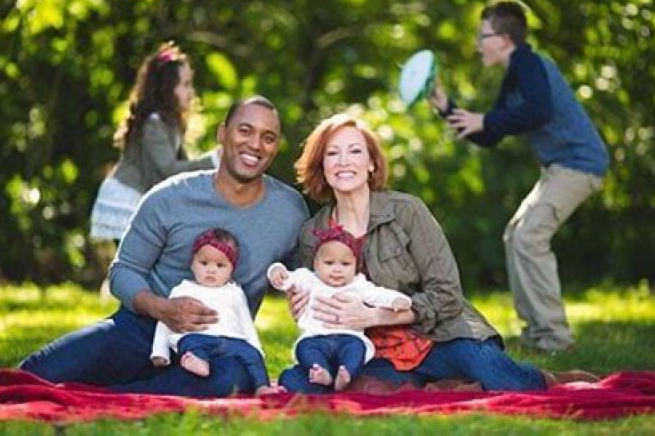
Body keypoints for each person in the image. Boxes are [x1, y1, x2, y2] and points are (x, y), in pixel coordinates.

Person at [278, 113, 598, 394]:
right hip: (372, 351)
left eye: (355, 151)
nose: (343, 161)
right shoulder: (313, 232)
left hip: (441, 335)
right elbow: (314, 297)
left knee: (501, 378)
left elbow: (447, 294)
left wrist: (375, 315)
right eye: (332, 153)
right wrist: (301, 305)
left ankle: (549, 378)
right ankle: (447, 386)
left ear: (372, 163)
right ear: (321, 165)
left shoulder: (408, 211)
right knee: (319, 386)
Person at [20, 96, 309, 397]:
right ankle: (132, 392)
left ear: (276, 147)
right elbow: (123, 271)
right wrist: (162, 309)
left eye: (268, 137)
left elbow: (306, 275)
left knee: (232, 381)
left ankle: (110, 397)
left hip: (218, 347)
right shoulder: (170, 197)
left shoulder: (289, 210)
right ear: (222, 133)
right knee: (34, 373)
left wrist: (300, 290)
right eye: (245, 130)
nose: (255, 144)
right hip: (141, 329)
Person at [427, 1, 609, 353]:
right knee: (516, 235)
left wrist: (486, 120)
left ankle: (555, 338)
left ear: (505, 39)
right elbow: (490, 135)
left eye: (483, 36)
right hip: (558, 167)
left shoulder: (529, 63)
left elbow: (539, 110)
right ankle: (535, 334)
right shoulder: (514, 76)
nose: (478, 44)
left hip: (578, 163)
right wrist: (446, 108)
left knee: (529, 236)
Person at [90, 41, 219, 244]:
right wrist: (214, 159)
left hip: (141, 202)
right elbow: (168, 170)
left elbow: (184, 169)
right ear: (167, 88)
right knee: (137, 260)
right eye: (185, 85)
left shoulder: (170, 123)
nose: (191, 92)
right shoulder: (153, 124)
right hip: (126, 200)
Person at [268, 225, 411, 391]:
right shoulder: (308, 279)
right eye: (329, 263)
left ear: (356, 266)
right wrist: (276, 270)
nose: (337, 269)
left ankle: (346, 373)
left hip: (348, 337)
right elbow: (287, 279)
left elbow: (378, 294)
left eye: (345, 264)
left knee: (356, 348)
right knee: (304, 348)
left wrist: (397, 300)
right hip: (316, 338)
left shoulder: (358, 284)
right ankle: (321, 371)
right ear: (316, 264)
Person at [151, 228, 281, 396]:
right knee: (188, 341)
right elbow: (165, 322)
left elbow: (246, 323)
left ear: (231, 269)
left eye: (220, 265)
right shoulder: (182, 290)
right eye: (204, 263)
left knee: (251, 355)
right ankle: (199, 363)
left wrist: (256, 350)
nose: (211, 270)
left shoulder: (235, 292)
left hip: (232, 341)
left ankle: (262, 386)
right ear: (192, 264)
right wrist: (159, 351)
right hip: (198, 339)